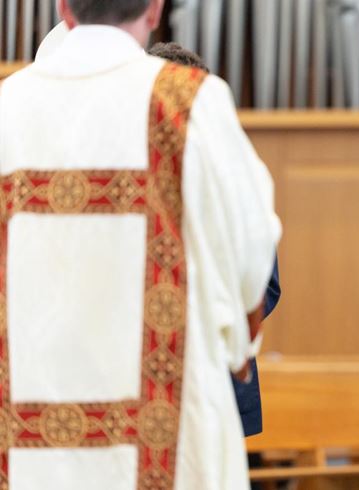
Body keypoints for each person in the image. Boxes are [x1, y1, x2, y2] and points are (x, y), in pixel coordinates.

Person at [0, 1, 280, 490]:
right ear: (154, 10)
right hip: (162, 426)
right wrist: (237, 344)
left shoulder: (7, 105)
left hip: (26, 417)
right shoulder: (188, 101)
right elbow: (251, 246)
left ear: (63, 8)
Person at [148, 40, 281, 440]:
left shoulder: (237, 178)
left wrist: (206, 319)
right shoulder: (128, 170)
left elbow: (266, 284)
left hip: (215, 369)